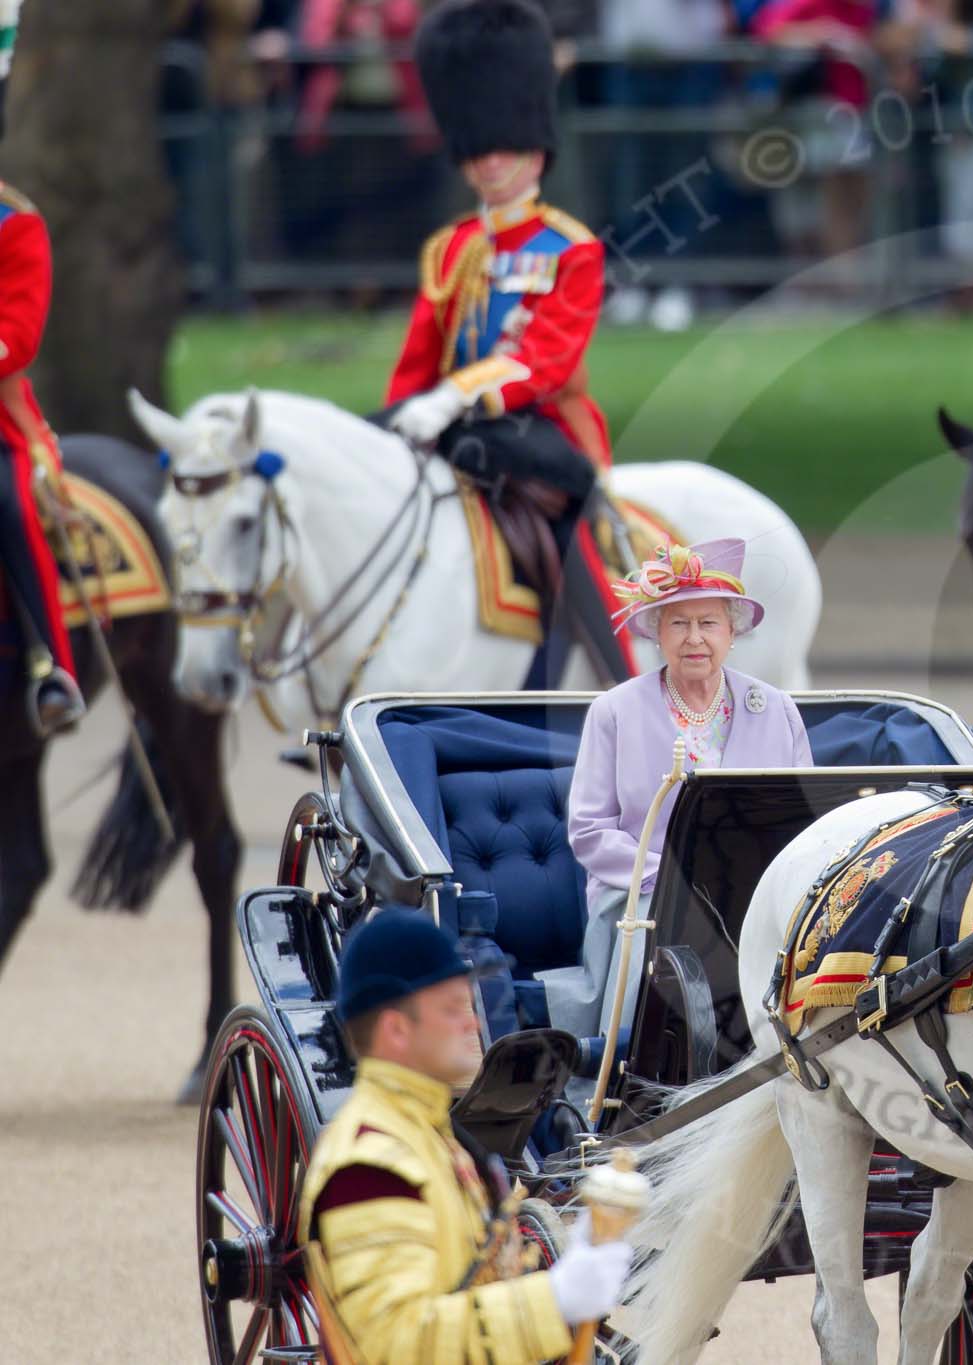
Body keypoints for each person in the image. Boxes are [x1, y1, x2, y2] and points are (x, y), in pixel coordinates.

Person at [388, 0, 636, 685]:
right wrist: (404, 416)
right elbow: (418, 357)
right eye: (479, 149)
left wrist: (455, 398)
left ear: (537, 147)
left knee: (568, 526)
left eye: (507, 147)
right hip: (452, 420)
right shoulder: (451, 247)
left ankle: (621, 673)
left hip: (540, 425)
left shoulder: (571, 247)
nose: (493, 161)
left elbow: (546, 359)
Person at [300, 909, 631, 1362]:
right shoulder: (370, 1168)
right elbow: (395, 1345)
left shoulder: (426, 1133)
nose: (473, 1024)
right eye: (453, 1009)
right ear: (396, 1029)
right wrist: (552, 1300)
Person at [549, 539, 813, 1037]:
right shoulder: (614, 711)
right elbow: (589, 831)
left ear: (732, 632)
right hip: (644, 895)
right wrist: (674, 882)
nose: (695, 638)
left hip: (756, 889)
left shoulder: (775, 708)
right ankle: (633, 1068)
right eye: (679, 623)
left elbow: (804, 820)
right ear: (656, 633)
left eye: (709, 623)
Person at [0, 1, 84, 738]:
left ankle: (50, 664)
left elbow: (17, 337)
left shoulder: (15, 223)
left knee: (8, 502)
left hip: (0, 418)